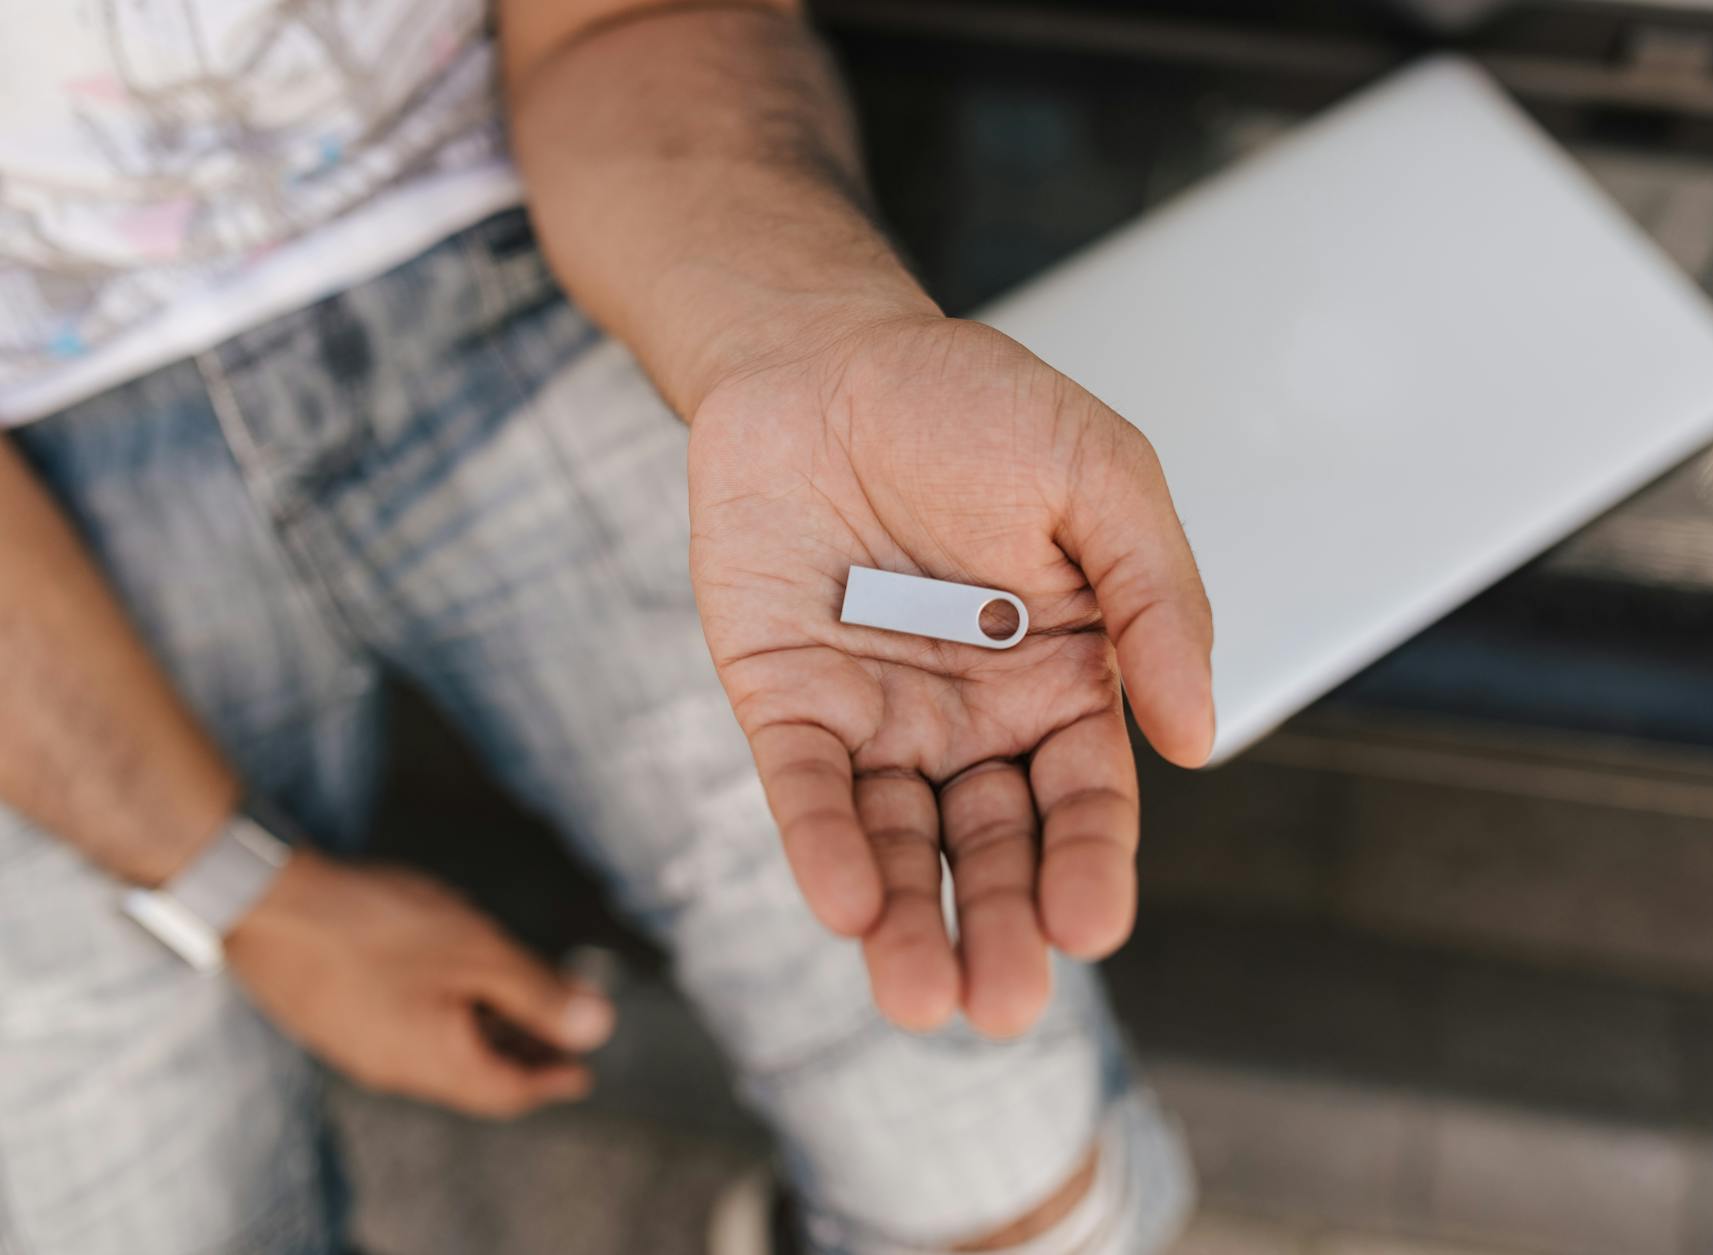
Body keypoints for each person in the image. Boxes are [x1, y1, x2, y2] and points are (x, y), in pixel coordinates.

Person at [0, 1, 1215, 1251]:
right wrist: (252, 901)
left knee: (1014, 1190)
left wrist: (810, 339)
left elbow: (631, 23)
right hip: (32, 472)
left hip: (519, 224)